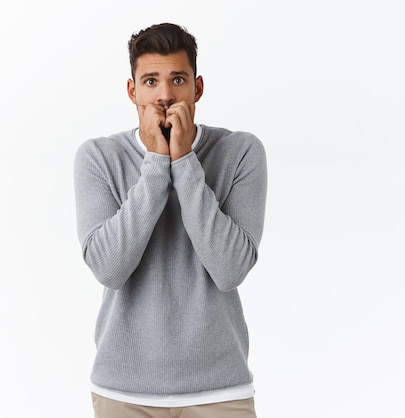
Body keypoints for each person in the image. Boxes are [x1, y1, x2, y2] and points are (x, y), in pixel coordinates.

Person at [73, 22, 267, 418]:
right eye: (150, 81)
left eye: (177, 79)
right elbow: (109, 268)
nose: (164, 95)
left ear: (197, 87)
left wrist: (184, 161)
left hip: (220, 390)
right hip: (123, 392)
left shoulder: (240, 152)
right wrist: (157, 164)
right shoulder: (98, 157)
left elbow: (229, 270)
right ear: (133, 91)